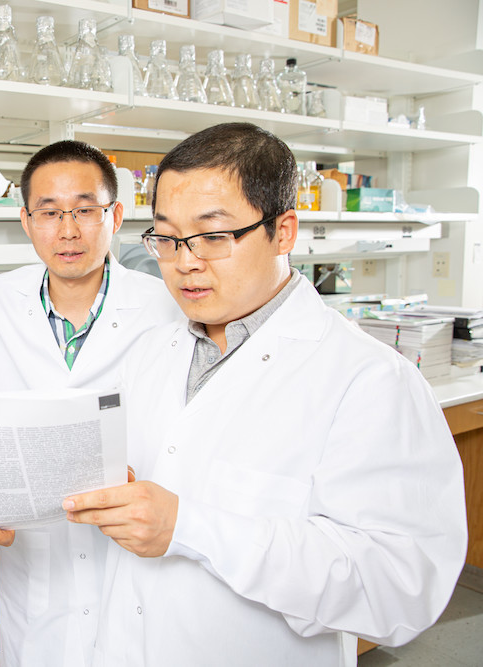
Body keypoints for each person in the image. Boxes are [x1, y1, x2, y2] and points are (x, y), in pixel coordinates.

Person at [64, 122, 468, 665]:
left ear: (284, 231)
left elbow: (400, 587)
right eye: (166, 236)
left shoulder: (368, 379)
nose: (185, 261)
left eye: (213, 235)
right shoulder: (151, 355)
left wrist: (190, 526)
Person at [0, 140, 181, 667]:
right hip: (37, 576)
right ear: (26, 220)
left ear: (115, 215)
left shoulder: (167, 306)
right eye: (48, 212)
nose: (67, 230)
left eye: (84, 210)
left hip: (136, 565)